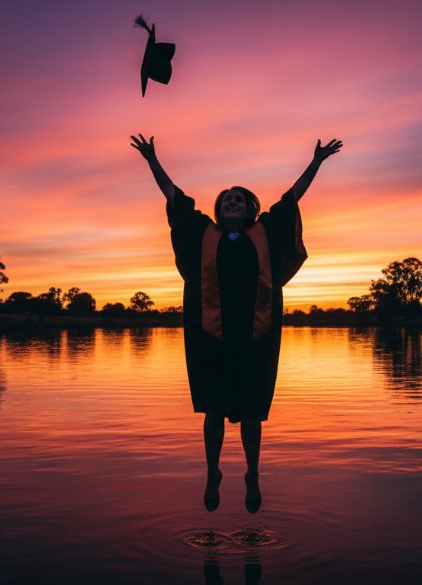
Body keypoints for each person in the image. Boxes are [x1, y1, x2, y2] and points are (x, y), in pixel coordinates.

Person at [131, 133, 342, 512]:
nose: (232, 201)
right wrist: (151, 160)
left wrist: (317, 162)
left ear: (249, 208)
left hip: (256, 336)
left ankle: (252, 472)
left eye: (239, 199)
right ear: (219, 209)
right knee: (213, 407)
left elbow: (292, 197)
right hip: (209, 335)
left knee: (251, 409)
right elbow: (174, 198)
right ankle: (212, 471)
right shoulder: (203, 233)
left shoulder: (265, 231)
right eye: (226, 198)